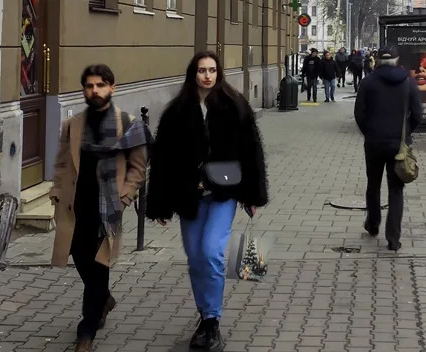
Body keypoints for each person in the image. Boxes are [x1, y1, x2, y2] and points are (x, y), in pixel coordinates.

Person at [146, 52, 268, 351]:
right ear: (193, 74)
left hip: (222, 194)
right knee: (195, 258)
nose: (207, 76)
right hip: (189, 195)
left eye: (212, 70)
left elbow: (252, 151)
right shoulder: (177, 112)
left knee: (212, 252)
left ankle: (212, 321)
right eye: (202, 70)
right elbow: (161, 160)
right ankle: (204, 315)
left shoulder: (234, 105)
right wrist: (160, 203)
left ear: (219, 73)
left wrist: (253, 195)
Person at [49, 65, 149, 352]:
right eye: (89, 86)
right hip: (76, 208)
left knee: (98, 269)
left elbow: (138, 168)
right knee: (81, 261)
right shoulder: (73, 125)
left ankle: (86, 333)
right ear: (84, 90)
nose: (95, 91)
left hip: (109, 209)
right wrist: (57, 191)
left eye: (101, 85)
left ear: (112, 88)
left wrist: (126, 196)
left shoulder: (129, 124)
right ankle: (104, 299)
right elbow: (61, 163)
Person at [353, 45, 423, 252]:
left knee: (373, 184)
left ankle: (373, 223)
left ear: (377, 61)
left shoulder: (368, 82)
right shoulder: (408, 82)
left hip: (374, 142)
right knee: (396, 189)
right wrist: (406, 132)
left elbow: (359, 113)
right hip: (398, 144)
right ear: (396, 60)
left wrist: (370, 131)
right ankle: (393, 239)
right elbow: (418, 114)